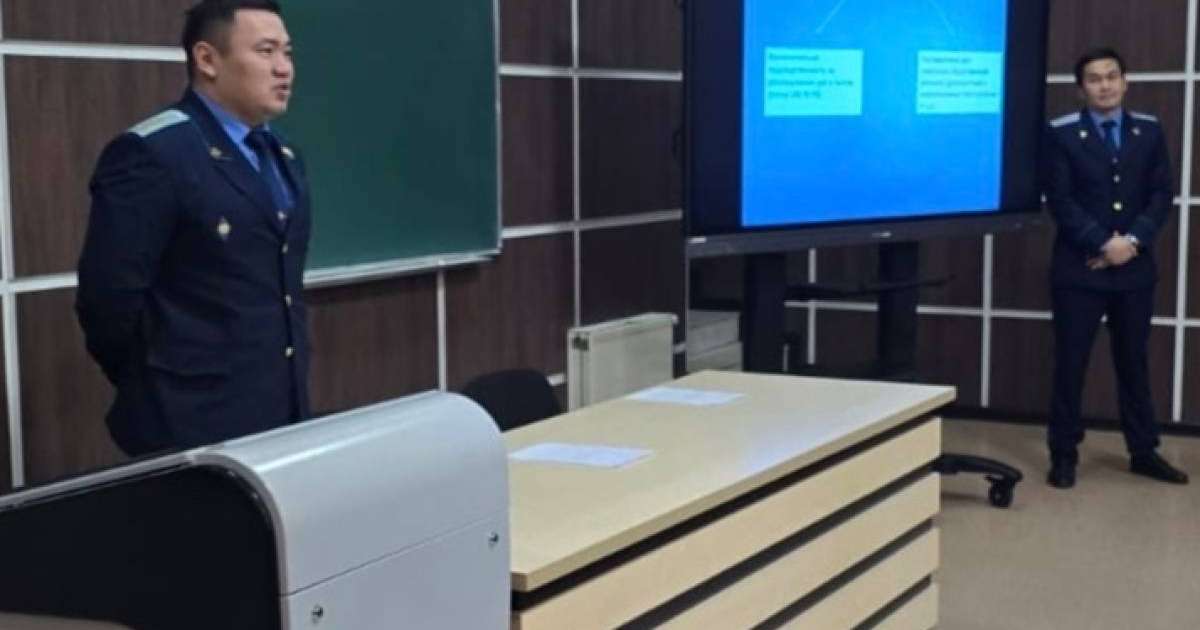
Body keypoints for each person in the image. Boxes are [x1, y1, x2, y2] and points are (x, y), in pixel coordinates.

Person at [76, 0, 311, 455]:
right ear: (207, 60)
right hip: (190, 426)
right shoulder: (154, 153)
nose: (284, 69)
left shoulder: (286, 158)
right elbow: (106, 302)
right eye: (265, 52)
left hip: (282, 413)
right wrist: (160, 384)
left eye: (288, 53)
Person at [1043, 48, 1187, 488]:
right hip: (1079, 269)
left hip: (1134, 270)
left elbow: (1162, 194)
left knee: (1134, 362)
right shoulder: (1062, 134)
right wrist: (1104, 243)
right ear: (1080, 88)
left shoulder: (1148, 130)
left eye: (1111, 76)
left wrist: (1132, 242)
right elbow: (1060, 201)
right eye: (1094, 78)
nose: (1104, 85)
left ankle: (1143, 450)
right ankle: (1063, 453)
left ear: (1125, 82)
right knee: (1071, 363)